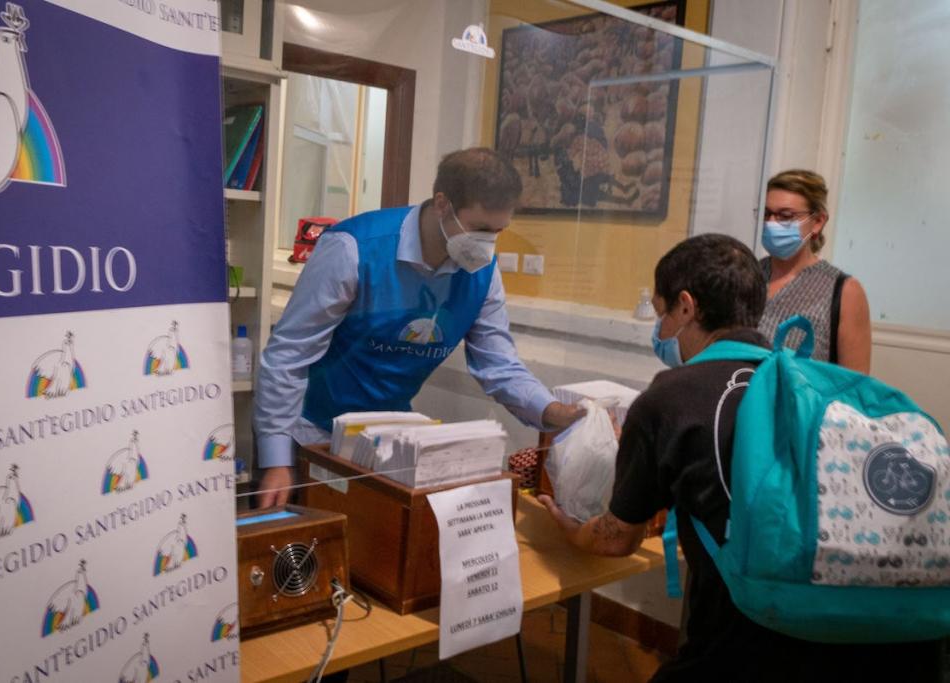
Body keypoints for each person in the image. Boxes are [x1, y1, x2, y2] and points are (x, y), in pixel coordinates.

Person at [540, 234, 941, 681]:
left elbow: (615, 540)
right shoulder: (805, 382)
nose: (659, 329)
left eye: (661, 312)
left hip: (757, 642)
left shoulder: (669, 397)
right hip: (894, 642)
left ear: (687, 307)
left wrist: (569, 530)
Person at [254, 147, 582, 507]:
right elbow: (289, 354)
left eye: (499, 231)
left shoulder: (482, 272)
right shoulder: (353, 249)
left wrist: (551, 412)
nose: (488, 244)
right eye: (480, 229)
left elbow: (498, 363)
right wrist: (276, 458)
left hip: (387, 438)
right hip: (311, 433)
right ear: (442, 203)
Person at [759, 169, 872, 372]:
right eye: (766, 214)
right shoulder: (748, 274)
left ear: (818, 221)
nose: (771, 223)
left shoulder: (843, 291)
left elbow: (853, 385)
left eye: (785, 216)